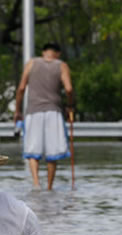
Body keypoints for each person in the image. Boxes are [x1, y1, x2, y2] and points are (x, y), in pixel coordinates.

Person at [13, 43, 74, 190]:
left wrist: (17, 110)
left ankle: (36, 184)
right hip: (54, 111)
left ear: (43, 52)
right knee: (52, 153)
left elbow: (21, 88)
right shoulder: (61, 65)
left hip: (33, 111)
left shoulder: (31, 63)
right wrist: (70, 106)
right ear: (57, 53)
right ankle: (49, 187)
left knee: (33, 150)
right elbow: (69, 89)